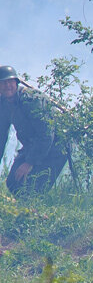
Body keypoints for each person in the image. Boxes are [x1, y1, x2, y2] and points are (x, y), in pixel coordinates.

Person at [0, 65, 68, 196]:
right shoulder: (3, 105)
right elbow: (1, 137)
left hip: (56, 146)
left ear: (16, 82)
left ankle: (34, 214)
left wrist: (29, 162)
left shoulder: (31, 100)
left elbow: (46, 135)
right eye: (2, 82)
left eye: (10, 82)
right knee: (13, 183)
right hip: (33, 145)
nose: (7, 86)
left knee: (33, 189)